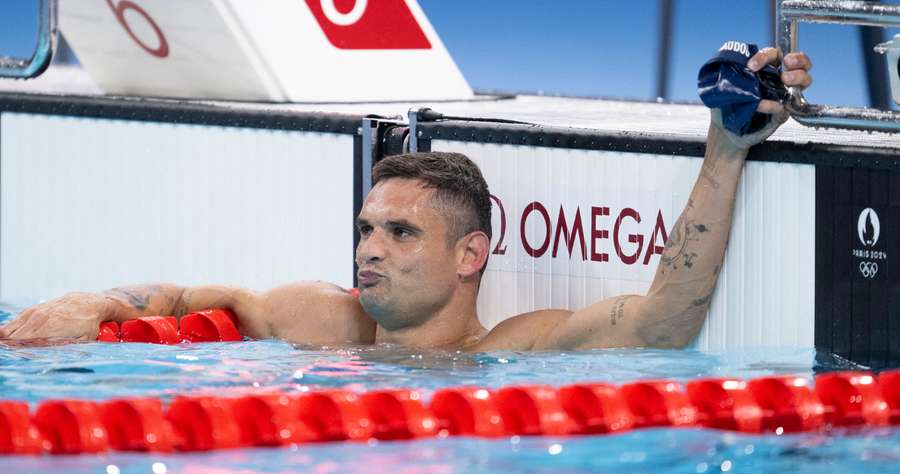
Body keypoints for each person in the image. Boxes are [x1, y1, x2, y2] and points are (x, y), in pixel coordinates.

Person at [0, 48, 812, 352]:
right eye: (365, 229)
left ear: (471, 254)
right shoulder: (322, 318)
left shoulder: (517, 351)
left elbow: (665, 319)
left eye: (398, 233)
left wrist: (727, 147)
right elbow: (184, 297)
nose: (368, 250)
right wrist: (90, 302)